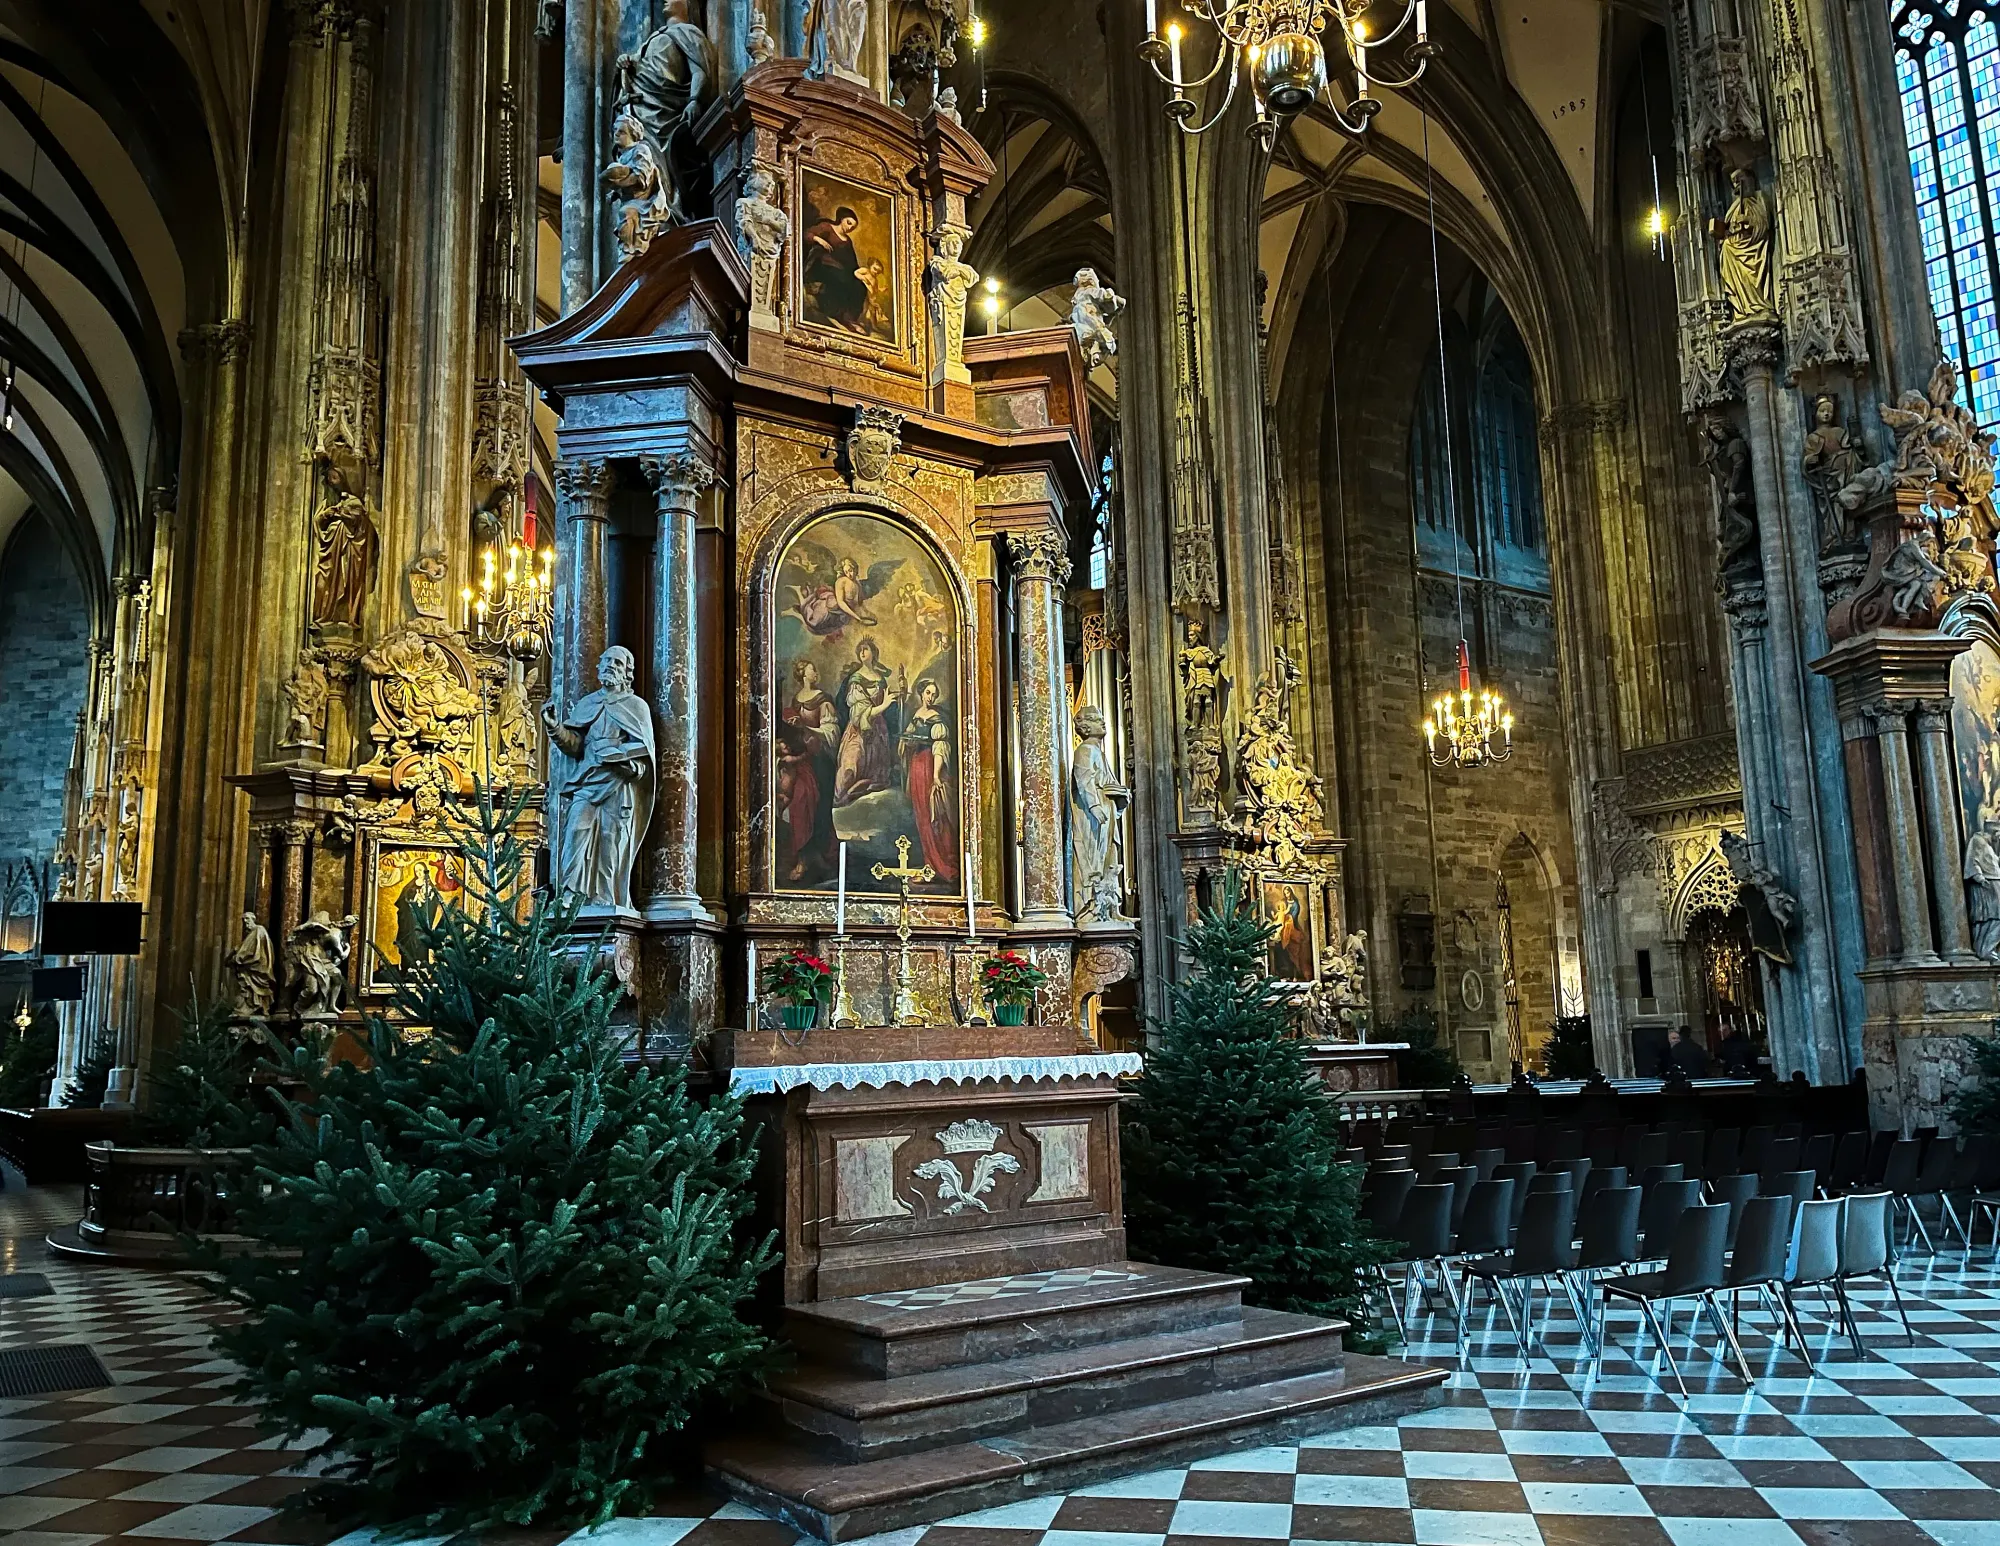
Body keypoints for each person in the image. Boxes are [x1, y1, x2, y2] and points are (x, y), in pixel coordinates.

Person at [804, 206, 869, 331]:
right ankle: (835, 312)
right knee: (839, 280)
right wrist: (817, 239)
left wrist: (858, 274)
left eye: (853, 227)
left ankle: (850, 317)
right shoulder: (827, 227)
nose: (850, 227)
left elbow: (851, 262)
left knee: (859, 287)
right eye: (848, 223)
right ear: (841, 219)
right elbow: (807, 234)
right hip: (821, 265)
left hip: (840, 270)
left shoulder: (847, 241)